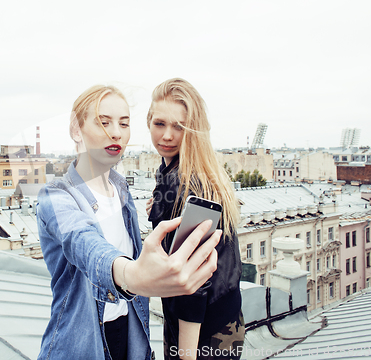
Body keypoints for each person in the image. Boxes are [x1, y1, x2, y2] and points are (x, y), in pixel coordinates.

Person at [36, 84, 223, 360]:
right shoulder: (56, 195)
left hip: (131, 338)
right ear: (76, 130)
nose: (116, 133)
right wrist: (133, 277)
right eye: (104, 122)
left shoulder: (121, 187)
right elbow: (84, 244)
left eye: (124, 124)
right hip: (82, 343)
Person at [146, 78, 245, 360]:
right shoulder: (176, 170)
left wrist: (186, 354)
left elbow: (196, 277)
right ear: (149, 122)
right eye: (159, 124)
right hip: (219, 317)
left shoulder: (187, 183)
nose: (167, 136)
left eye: (179, 127)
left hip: (204, 331)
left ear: (194, 131)